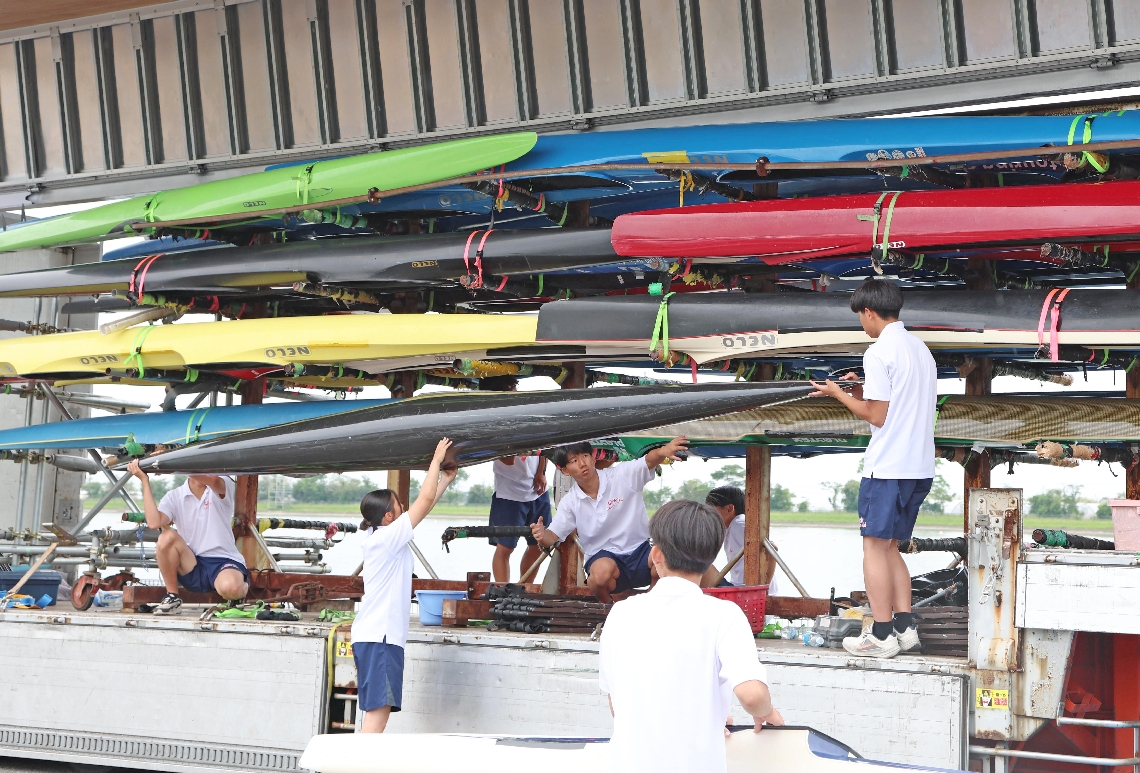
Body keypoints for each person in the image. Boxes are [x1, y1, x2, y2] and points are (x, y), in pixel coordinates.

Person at [599, 500, 784, 773]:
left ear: (657, 555)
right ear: (710, 558)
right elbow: (752, 696)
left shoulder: (621, 613)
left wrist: (706, 722)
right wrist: (765, 713)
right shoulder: (725, 615)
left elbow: (619, 703)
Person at [809, 279, 936, 659]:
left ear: (868, 312)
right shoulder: (920, 349)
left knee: (872, 548)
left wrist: (839, 394)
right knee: (890, 546)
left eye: (861, 318)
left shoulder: (878, 352)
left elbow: (878, 416)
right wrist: (859, 389)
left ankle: (880, 636)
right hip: (919, 466)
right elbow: (898, 403)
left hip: (888, 466)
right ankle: (904, 627)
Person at [352, 438, 457, 733]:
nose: (404, 507)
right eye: (399, 505)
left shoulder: (381, 535)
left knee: (375, 711)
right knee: (378, 713)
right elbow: (422, 504)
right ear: (389, 516)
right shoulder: (388, 537)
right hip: (381, 637)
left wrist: (445, 479)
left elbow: (423, 506)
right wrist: (435, 463)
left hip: (374, 635)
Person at [530, 437, 688, 603]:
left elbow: (647, 461)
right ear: (565, 471)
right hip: (605, 560)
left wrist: (664, 451)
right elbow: (552, 536)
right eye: (574, 461)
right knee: (599, 575)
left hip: (640, 551)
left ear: (593, 457)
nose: (582, 463)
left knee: (667, 555)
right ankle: (607, 609)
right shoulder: (570, 502)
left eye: (585, 456)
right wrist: (541, 535)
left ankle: (652, 603)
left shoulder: (621, 475)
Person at [126, 461, 249, 616]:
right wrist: (145, 481)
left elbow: (212, 480)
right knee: (166, 537)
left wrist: (171, 463)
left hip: (222, 560)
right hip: (191, 562)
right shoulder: (174, 496)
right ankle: (172, 597)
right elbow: (154, 522)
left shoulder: (222, 482)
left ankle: (242, 590)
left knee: (232, 589)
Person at [702, 486, 779, 592]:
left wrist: (763, 590)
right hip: (739, 587)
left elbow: (771, 549)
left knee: (696, 566)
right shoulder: (729, 527)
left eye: (712, 510)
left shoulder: (739, 524)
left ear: (729, 508)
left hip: (748, 592)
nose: (709, 515)